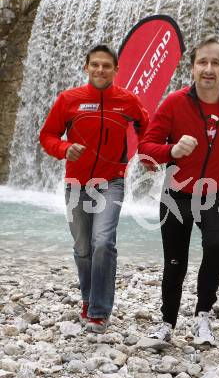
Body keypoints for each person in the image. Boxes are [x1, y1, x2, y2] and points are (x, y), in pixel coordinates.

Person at [138, 35, 219, 345]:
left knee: (216, 248)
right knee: (175, 261)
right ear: (192, 68)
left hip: (216, 193)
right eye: (202, 62)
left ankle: (203, 315)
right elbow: (145, 147)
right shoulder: (174, 102)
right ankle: (167, 322)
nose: (209, 68)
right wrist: (172, 151)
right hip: (176, 195)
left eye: (216, 62)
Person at [39, 45, 149, 334]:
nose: (100, 70)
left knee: (103, 242)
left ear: (115, 70)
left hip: (111, 182)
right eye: (95, 65)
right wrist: (64, 148)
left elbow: (146, 127)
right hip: (76, 183)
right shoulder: (69, 100)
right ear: (86, 67)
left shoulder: (127, 101)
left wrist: (147, 154)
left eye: (106, 66)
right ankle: (87, 299)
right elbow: (47, 135)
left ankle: (100, 311)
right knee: (82, 247)